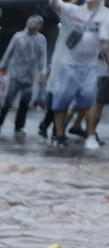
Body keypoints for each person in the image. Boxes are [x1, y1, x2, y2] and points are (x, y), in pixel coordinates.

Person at [45, 0, 109, 147]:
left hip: (90, 66)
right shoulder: (74, 10)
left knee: (88, 98)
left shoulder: (105, 15)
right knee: (62, 100)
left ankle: (83, 130)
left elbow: (105, 43)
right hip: (68, 64)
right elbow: (55, 4)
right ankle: (60, 135)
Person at [0, 14, 47, 136]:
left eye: (34, 22)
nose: (31, 24)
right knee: (8, 100)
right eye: (30, 21)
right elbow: (9, 52)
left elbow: (43, 58)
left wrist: (41, 72)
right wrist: (2, 67)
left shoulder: (41, 39)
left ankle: (19, 127)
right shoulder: (18, 37)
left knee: (25, 103)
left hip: (30, 76)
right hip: (14, 74)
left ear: (39, 26)